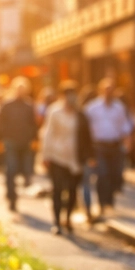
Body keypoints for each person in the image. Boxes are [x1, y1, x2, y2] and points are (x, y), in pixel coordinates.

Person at [40, 80, 89, 234]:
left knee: (73, 190)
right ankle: (57, 222)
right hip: (57, 156)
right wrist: (45, 155)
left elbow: (87, 136)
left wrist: (89, 156)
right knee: (58, 190)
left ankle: (67, 219)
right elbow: (48, 134)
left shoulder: (80, 114)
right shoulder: (54, 112)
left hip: (75, 158)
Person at [83, 79, 132, 218]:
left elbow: (124, 126)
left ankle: (110, 201)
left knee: (114, 174)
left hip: (115, 145)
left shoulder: (119, 107)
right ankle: (102, 203)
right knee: (102, 174)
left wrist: (127, 140)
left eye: (111, 89)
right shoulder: (92, 108)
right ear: (101, 90)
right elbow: (84, 127)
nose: (109, 92)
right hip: (99, 146)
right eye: (106, 89)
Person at [0, 79, 38, 212]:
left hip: (25, 143)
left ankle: (17, 191)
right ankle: (12, 197)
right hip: (10, 142)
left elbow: (34, 124)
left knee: (25, 170)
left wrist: (34, 139)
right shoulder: (7, 105)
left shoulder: (29, 106)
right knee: (11, 169)